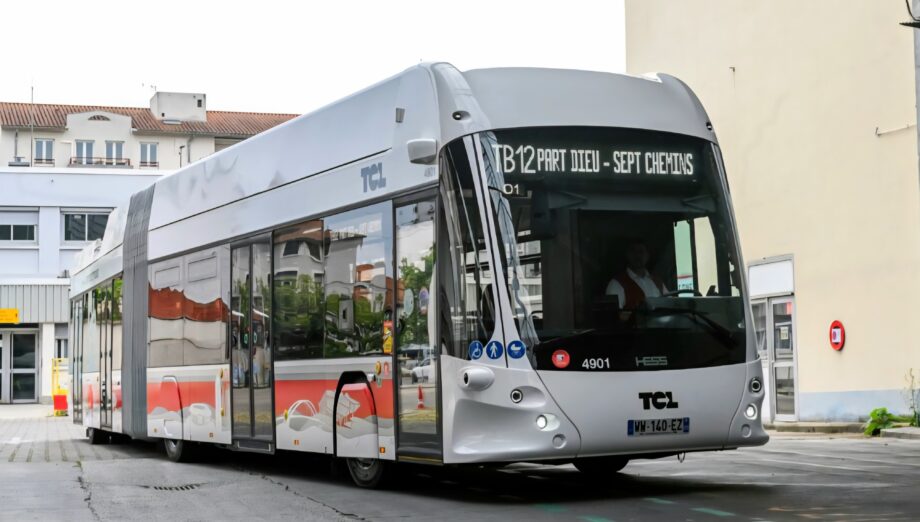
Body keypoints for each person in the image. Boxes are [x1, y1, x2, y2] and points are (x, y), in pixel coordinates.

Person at [606, 239, 668, 309]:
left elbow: (669, 305)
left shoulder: (657, 281)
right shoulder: (616, 283)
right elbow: (613, 315)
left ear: (647, 256)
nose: (637, 255)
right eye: (633, 251)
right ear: (627, 255)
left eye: (641, 252)